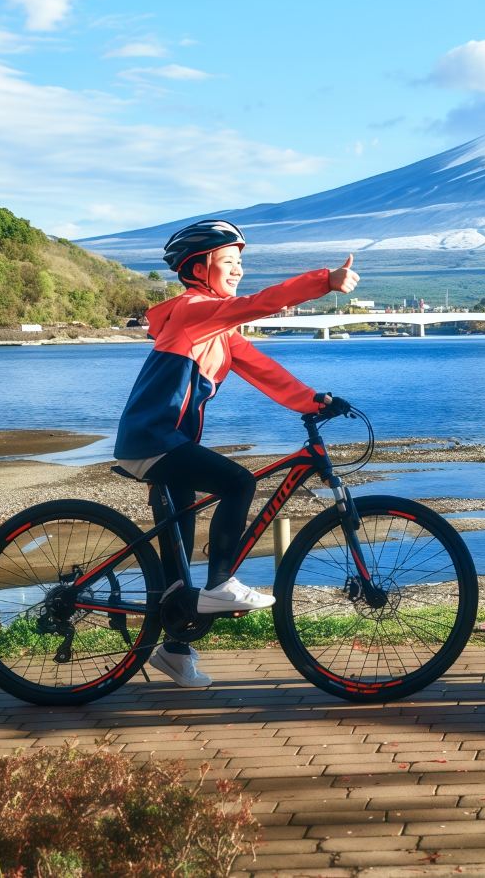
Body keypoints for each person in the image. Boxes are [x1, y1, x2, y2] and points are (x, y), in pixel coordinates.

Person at [113, 219, 357, 689]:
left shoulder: (218, 329)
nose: (239, 271)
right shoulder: (192, 310)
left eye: (241, 263)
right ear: (199, 268)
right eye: (229, 262)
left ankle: (176, 649)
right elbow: (258, 304)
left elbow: (264, 370)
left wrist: (315, 401)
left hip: (171, 444)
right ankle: (222, 583)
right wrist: (323, 281)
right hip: (154, 441)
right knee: (238, 482)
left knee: (179, 558)